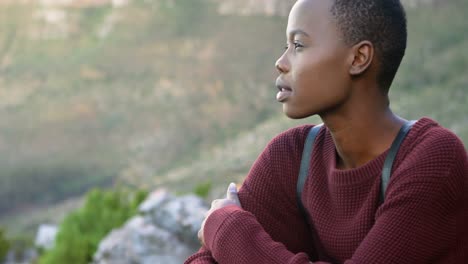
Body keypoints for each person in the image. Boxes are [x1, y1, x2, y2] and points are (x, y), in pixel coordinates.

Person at [185, 0, 468, 263]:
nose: (281, 62)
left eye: (298, 45)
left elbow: (227, 245)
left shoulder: (434, 161)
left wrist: (226, 228)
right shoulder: (292, 156)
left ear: (359, 58)